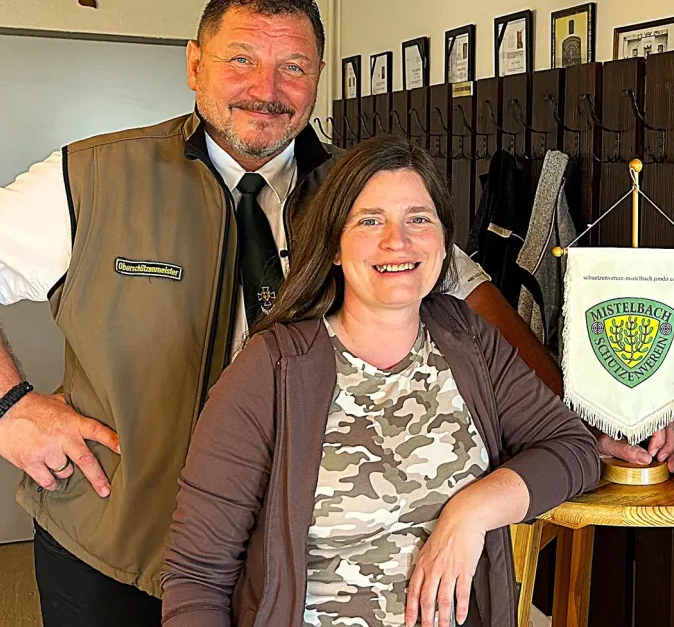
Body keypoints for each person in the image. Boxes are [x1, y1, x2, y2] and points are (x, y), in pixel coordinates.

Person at [0, 0, 671, 625]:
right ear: (194, 65)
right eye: (241, 60)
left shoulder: (355, 190)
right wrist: (7, 409)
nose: (266, 92)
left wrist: (585, 414)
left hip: (291, 555)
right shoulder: (96, 177)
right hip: (117, 541)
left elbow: (469, 295)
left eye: (294, 69)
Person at [161, 135, 599, 626]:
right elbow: (196, 578)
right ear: (333, 246)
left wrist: (470, 514)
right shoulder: (272, 370)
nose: (399, 241)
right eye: (371, 221)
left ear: (442, 240)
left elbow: (572, 449)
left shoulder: (467, 339)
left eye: (418, 218)